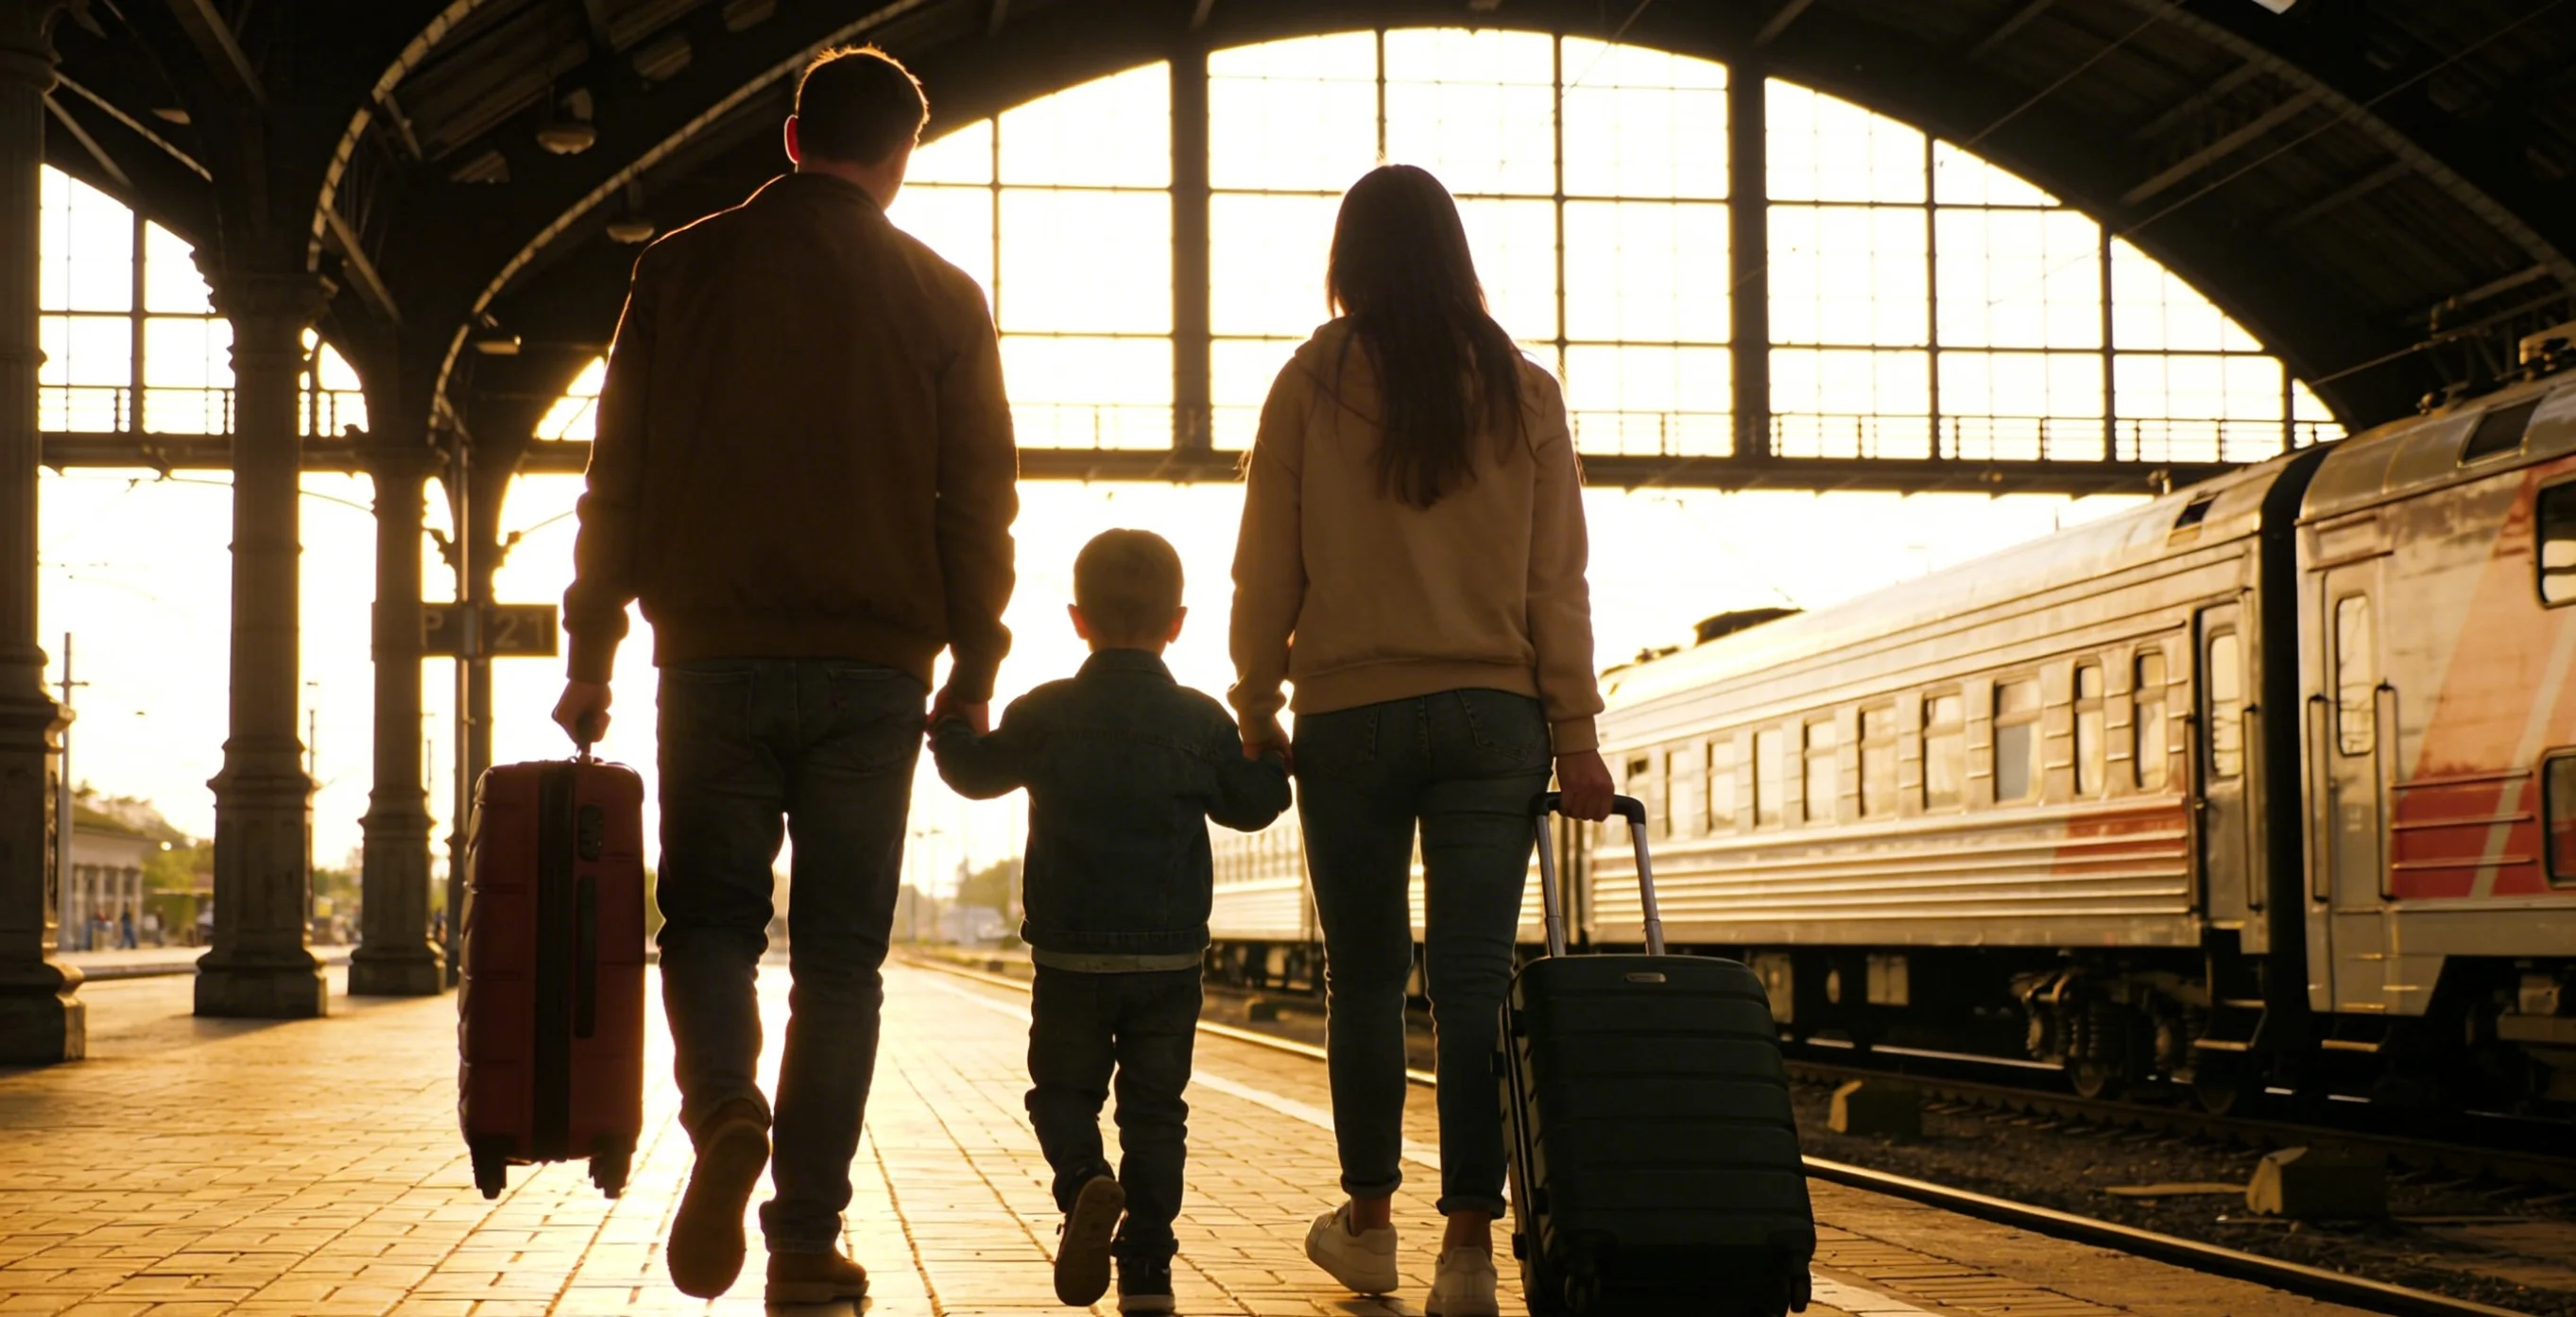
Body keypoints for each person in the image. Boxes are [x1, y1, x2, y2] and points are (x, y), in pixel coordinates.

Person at [550, 43, 1018, 1306]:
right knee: (840, 963)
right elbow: (978, 501)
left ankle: (725, 1114)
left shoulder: (678, 267)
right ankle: (806, 1236)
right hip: (875, 670)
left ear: (793, 137)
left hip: (711, 659)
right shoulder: (943, 294)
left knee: (706, 922)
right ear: (901, 159)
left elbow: (614, 479)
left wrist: (591, 652)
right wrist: (974, 659)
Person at [1228, 164, 1616, 1317]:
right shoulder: (1523, 388)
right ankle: (1466, 1251)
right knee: (1471, 981)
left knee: (1362, 976)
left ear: (1346, 259)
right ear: (1455, 255)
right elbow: (1557, 580)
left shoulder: (1308, 382)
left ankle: (1367, 1225)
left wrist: (1254, 697)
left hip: (1347, 712)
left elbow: (1265, 560)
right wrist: (1576, 730)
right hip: (1494, 717)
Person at [930, 530, 1291, 1314]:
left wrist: (950, 723)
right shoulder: (1199, 721)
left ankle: (1085, 1181)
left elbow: (974, 773)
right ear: (1178, 623)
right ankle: (1148, 1272)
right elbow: (1253, 806)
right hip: (1168, 966)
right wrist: (1269, 756)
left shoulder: (1043, 712)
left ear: (1077, 619)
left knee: (1062, 1094)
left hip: (1069, 960)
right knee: (1156, 1114)